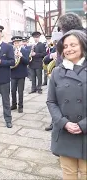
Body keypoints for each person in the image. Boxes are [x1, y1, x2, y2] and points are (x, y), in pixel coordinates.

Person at [46, 30, 86, 180]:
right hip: (65, 132)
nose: (69, 49)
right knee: (68, 174)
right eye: (65, 46)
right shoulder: (57, 72)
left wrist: (83, 125)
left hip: (86, 132)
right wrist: (64, 123)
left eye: (73, 45)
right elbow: (51, 101)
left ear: (82, 45)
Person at [10, 36, 30, 113]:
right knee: (13, 90)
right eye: (15, 43)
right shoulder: (11, 51)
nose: (17, 44)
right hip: (13, 73)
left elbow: (27, 62)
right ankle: (14, 104)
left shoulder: (25, 51)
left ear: (21, 43)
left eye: (18, 42)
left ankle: (20, 106)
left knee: (20, 91)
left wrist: (21, 56)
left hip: (21, 73)